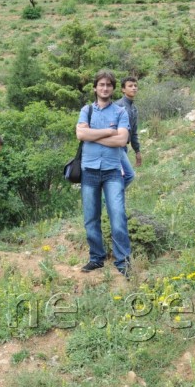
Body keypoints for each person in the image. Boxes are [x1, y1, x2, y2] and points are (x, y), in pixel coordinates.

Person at [77, 70, 132, 277]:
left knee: (117, 215)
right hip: (89, 171)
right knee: (91, 218)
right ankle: (96, 258)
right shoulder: (86, 111)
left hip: (112, 172)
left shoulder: (120, 112)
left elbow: (121, 140)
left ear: (113, 88)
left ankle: (123, 261)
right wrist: (109, 132)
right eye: (101, 84)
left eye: (108, 85)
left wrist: (93, 136)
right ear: (95, 88)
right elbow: (80, 133)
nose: (105, 88)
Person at [115, 76, 142, 187]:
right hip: (115, 146)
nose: (134, 88)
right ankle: (107, 200)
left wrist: (137, 151)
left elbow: (133, 132)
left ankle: (111, 201)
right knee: (129, 175)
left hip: (124, 147)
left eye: (135, 86)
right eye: (130, 86)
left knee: (119, 176)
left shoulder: (133, 108)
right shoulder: (118, 106)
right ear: (123, 89)